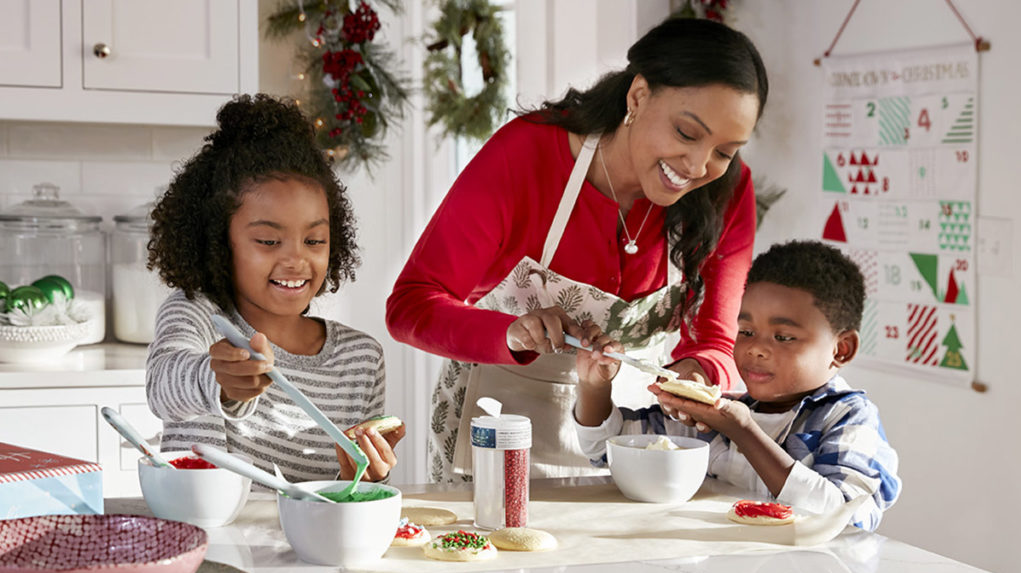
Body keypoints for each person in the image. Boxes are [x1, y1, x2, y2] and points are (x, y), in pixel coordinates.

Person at [386, 17, 769, 483]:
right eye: (687, 134)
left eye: (725, 151)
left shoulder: (726, 191)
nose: (697, 166)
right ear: (638, 96)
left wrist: (698, 373)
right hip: (499, 432)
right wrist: (512, 333)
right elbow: (410, 305)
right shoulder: (529, 152)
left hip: (628, 446)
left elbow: (717, 342)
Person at [146, 94, 404, 483]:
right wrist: (219, 379)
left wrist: (362, 481)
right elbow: (163, 388)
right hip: (208, 541)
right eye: (268, 242)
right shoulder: (200, 316)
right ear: (219, 241)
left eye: (314, 241)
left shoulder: (360, 359)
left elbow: (335, 501)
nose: (296, 260)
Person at [574, 240, 902, 531]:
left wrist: (743, 431)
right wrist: (594, 386)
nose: (755, 348)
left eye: (784, 337)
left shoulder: (847, 419)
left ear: (841, 349)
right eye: (745, 332)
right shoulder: (716, 417)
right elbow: (606, 448)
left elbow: (845, 517)